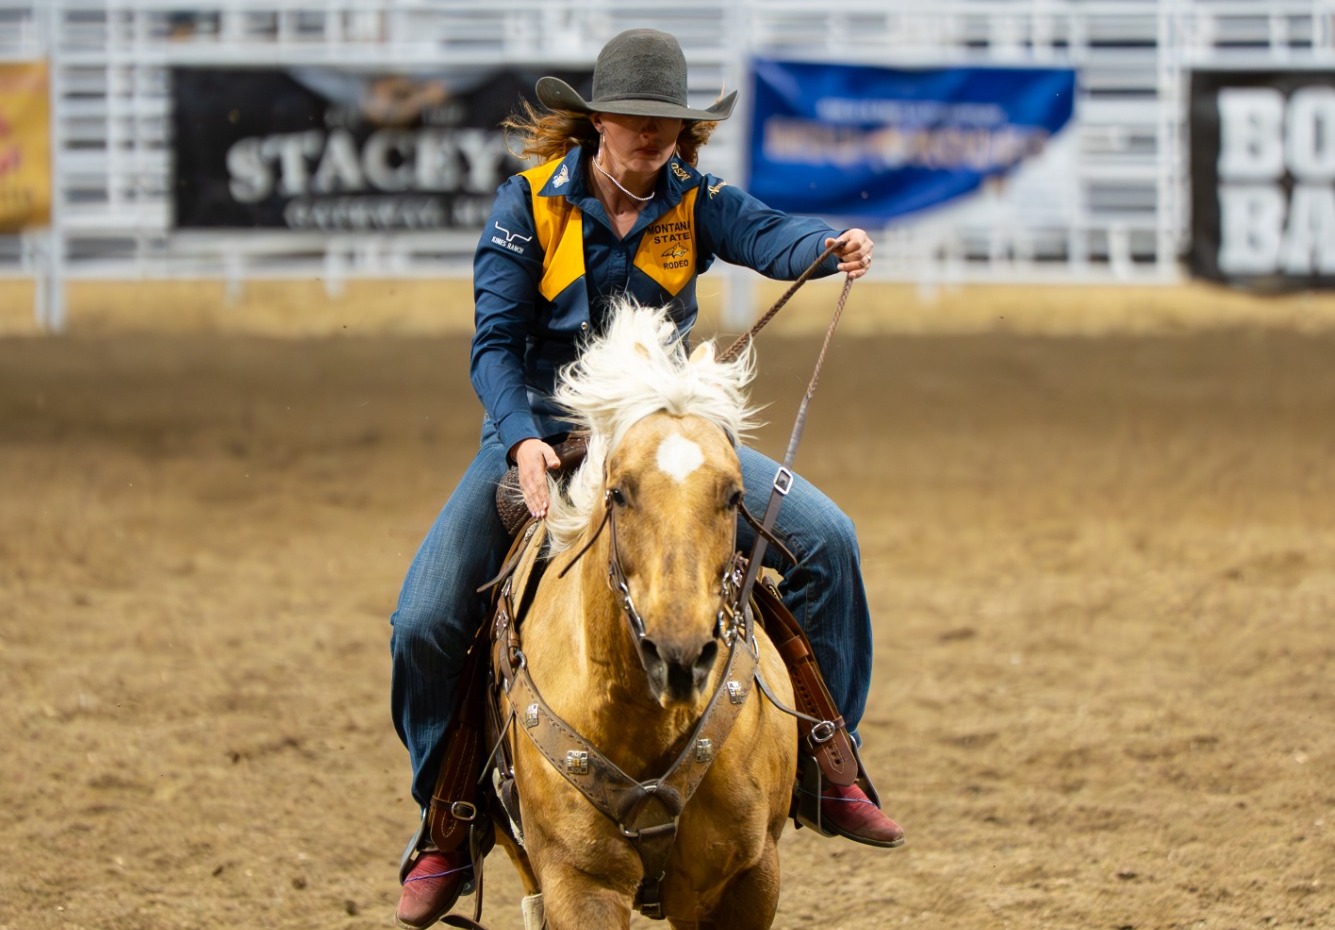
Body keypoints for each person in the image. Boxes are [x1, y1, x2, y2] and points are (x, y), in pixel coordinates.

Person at [390, 28, 903, 930]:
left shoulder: (694, 201)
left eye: (667, 125)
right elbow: (494, 347)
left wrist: (826, 248)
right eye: (634, 121)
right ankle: (448, 820)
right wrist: (518, 442)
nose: (651, 137)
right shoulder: (527, 208)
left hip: (660, 433)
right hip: (545, 435)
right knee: (428, 619)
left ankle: (827, 759)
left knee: (827, 541)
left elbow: (768, 235)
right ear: (595, 123)